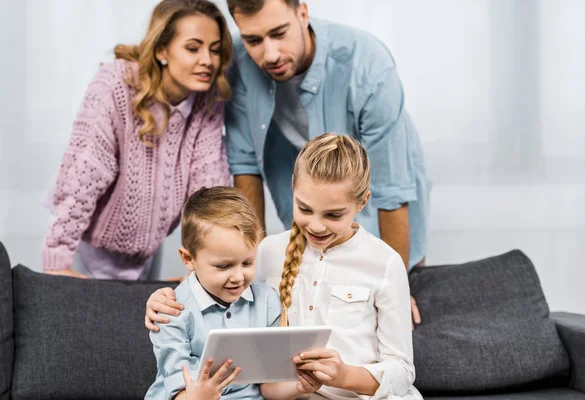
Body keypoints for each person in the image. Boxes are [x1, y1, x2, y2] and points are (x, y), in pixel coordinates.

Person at [147, 134, 423, 399]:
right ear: (292, 190)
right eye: (304, 209)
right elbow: (218, 281)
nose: (316, 225)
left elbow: (402, 370)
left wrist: (344, 375)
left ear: (362, 201)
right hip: (293, 394)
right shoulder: (268, 251)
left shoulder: (385, 262)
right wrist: (161, 299)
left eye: (333, 215)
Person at [223, 0, 430, 322]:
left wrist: (395, 293)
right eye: (253, 40)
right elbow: (245, 167)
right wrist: (253, 274)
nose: (271, 54)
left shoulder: (367, 66)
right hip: (311, 235)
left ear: (302, 13)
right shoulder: (236, 63)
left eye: (280, 33)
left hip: (383, 219)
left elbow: (392, 190)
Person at [42, 0, 232, 280]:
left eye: (214, 50)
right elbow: (85, 174)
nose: (207, 60)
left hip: (146, 251)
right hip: (88, 246)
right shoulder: (115, 83)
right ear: (161, 50)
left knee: (138, 323)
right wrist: (57, 260)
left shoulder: (208, 100)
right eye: (193, 48)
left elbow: (208, 190)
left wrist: (209, 269)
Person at [146, 186, 322, 400]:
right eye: (223, 266)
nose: (238, 277)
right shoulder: (170, 309)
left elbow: (269, 387)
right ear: (188, 259)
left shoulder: (267, 301)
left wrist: (300, 387)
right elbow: (177, 386)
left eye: (247, 262)